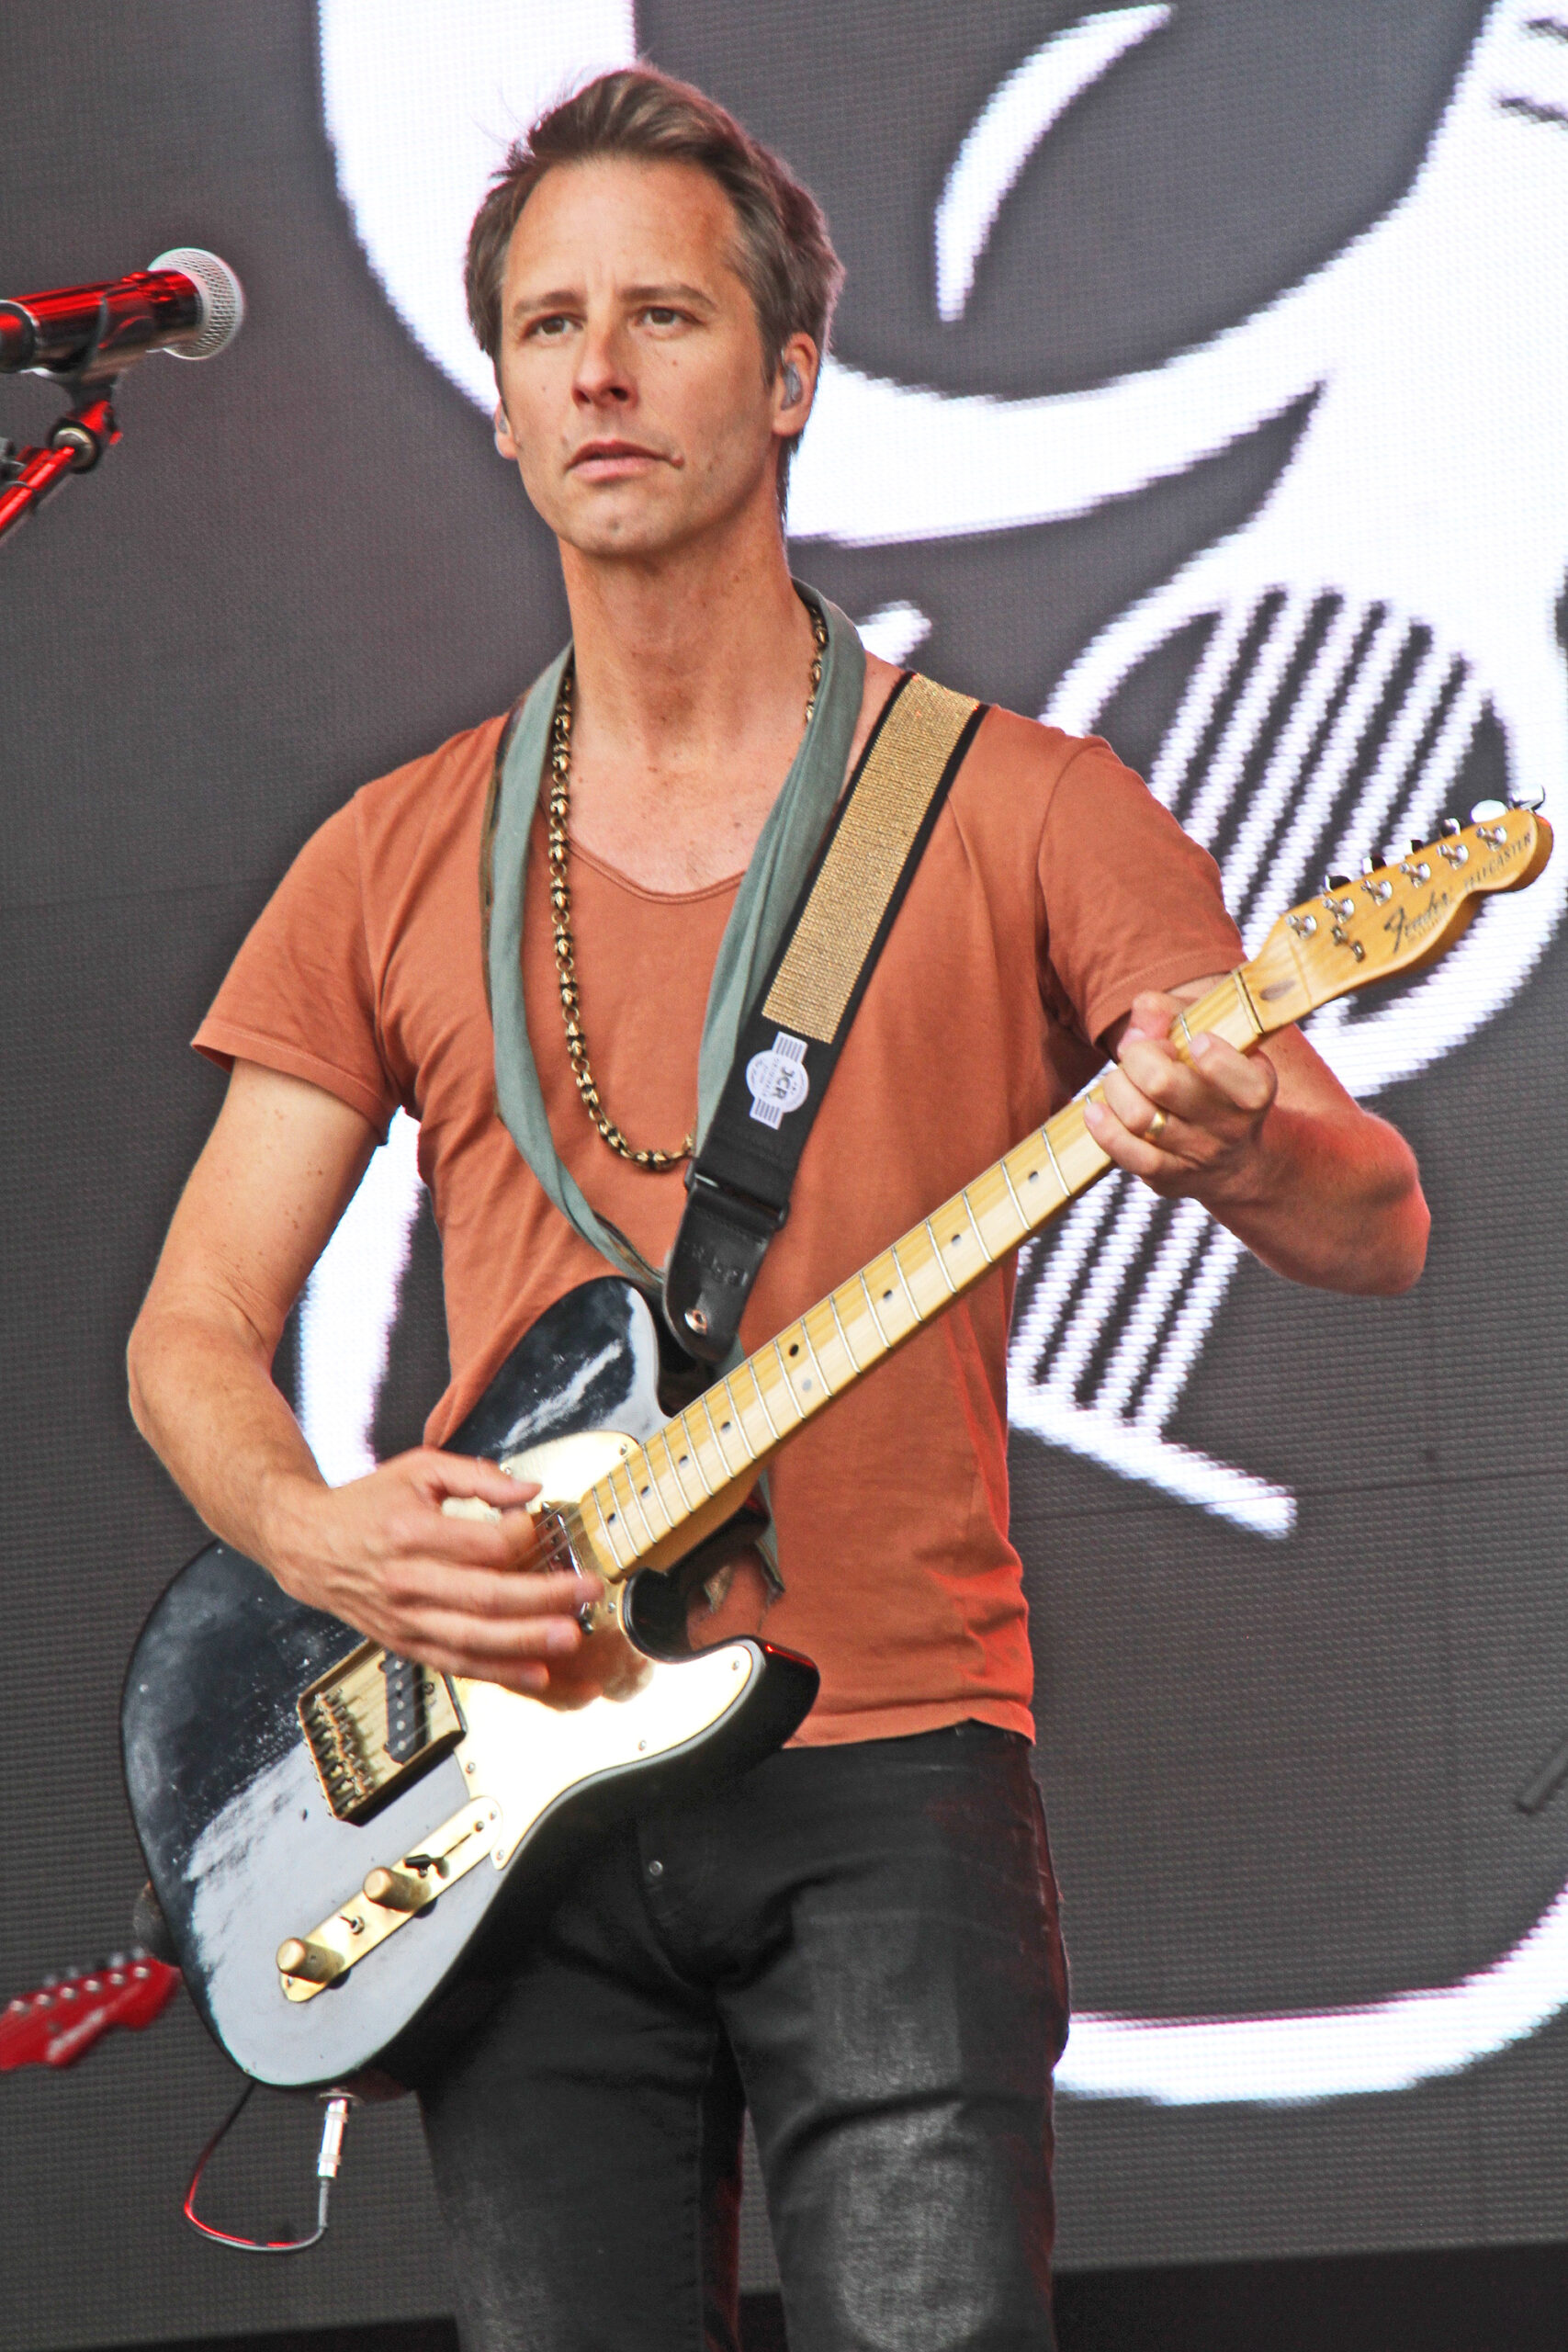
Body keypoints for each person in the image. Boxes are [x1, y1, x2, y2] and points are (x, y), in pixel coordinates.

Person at [126, 67, 1428, 2352]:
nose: (601, 372)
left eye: (662, 315)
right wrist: (322, 1538)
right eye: (546, 328)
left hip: (889, 1774)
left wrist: (1235, 1143)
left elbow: (1372, 1217)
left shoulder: (1023, 804)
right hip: (497, 1797)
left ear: (795, 372)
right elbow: (189, 1339)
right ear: (505, 404)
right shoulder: (388, 849)